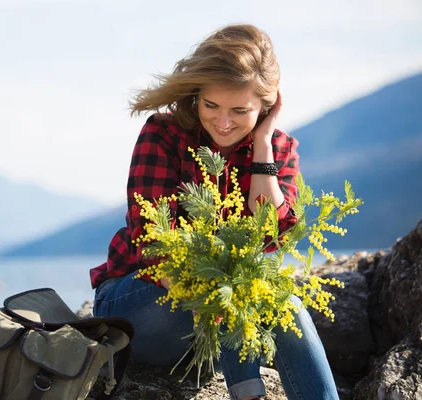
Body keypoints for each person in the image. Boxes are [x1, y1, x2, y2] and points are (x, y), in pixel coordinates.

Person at [89, 24, 339, 400]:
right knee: (228, 293)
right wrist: (222, 295)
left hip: (209, 330)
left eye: (240, 110)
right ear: (196, 96)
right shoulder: (164, 134)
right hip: (141, 307)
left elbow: (274, 235)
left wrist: (262, 146)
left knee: (288, 306)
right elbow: (153, 241)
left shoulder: (278, 149)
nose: (223, 122)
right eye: (211, 106)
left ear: (266, 107)